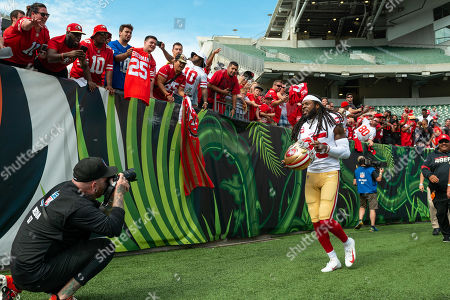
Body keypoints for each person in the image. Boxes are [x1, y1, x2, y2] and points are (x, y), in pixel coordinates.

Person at [0, 157, 129, 300]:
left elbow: (99, 215)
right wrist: (119, 195)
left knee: (75, 239)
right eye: (106, 180)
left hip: (21, 268)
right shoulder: (77, 206)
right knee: (106, 248)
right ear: (94, 185)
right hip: (34, 275)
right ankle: (62, 297)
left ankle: (13, 285)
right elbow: (114, 228)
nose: (109, 182)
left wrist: (110, 196)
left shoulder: (66, 189)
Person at [291, 94, 355, 272]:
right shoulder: (303, 126)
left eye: (307, 103)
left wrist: (327, 148)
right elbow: (301, 153)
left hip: (329, 172)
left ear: (317, 106)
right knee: (316, 222)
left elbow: (346, 152)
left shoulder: (334, 120)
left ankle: (348, 242)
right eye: (302, 104)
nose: (303, 106)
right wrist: (291, 161)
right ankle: (333, 259)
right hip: (311, 174)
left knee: (325, 219)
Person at [1, 3, 50, 68]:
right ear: (33, 14)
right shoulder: (23, 20)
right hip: (8, 61)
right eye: (43, 14)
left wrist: (43, 53)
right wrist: (31, 23)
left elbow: (45, 47)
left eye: (47, 15)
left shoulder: (45, 31)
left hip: (26, 65)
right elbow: (24, 25)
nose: (46, 17)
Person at [421, 134, 450, 242]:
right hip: (437, 191)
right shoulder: (432, 156)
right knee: (441, 213)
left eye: (446, 141)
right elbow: (424, 168)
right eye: (441, 141)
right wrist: (429, 175)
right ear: (438, 143)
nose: (443, 143)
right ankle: (446, 235)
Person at [70, 25, 114, 94]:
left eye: (106, 34)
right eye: (101, 34)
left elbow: (109, 69)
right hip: (78, 79)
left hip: (96, 83)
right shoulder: (85, 44)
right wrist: (89, 81)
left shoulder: (109, 50)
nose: (104, 36)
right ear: (95, 35)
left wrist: (109, 85)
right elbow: (84, 65)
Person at [123, 35, 157, 105]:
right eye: (151, 42)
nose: (153, 45)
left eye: (155, 44)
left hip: (142, 93)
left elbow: (152, 78)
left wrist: (150, 94)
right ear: (145, 42)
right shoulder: (133, 50)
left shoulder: (152, 61)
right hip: (129, 88)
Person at [353, 156, 383, 232]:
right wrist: (381, 172)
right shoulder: (371, 170)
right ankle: (372, 227)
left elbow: (354, 183)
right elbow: (378, 179)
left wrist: (361, 182)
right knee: (372, 209)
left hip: (362, 192)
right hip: (371, 192)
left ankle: (360, 221)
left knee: (362, 207)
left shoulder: (356, 170)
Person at [108, 24, 133, 91]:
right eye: (126, 32)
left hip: (125, 87)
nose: (129, 34)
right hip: (112, 86)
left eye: (130, 33)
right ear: (120, 32)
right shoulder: (112, 44)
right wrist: (127, 54)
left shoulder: (131, 48)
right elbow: (116, 58)